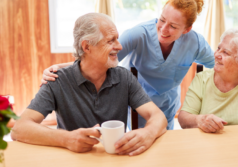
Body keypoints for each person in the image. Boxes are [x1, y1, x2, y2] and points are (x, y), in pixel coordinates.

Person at [41, 0, 238, 130]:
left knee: (162, 140)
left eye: (173, 26)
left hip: (167, 103)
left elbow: (223, 61)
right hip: (135, 99)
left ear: (187, 29)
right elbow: (101, 55)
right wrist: (60, 68)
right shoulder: (139, 34)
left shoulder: (195, 42)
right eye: (161, 20)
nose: (163, 29)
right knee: (133, 138)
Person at [11, 13, 167, 155]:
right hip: (72, 160)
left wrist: (148, 133)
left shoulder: (124, 77)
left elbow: (158, 116)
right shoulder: (57, 80)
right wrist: (66, 139)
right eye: (110, 40)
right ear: (86, 47)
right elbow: (19, 129)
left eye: (117, 39)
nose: (119, 46)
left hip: (115, 159)